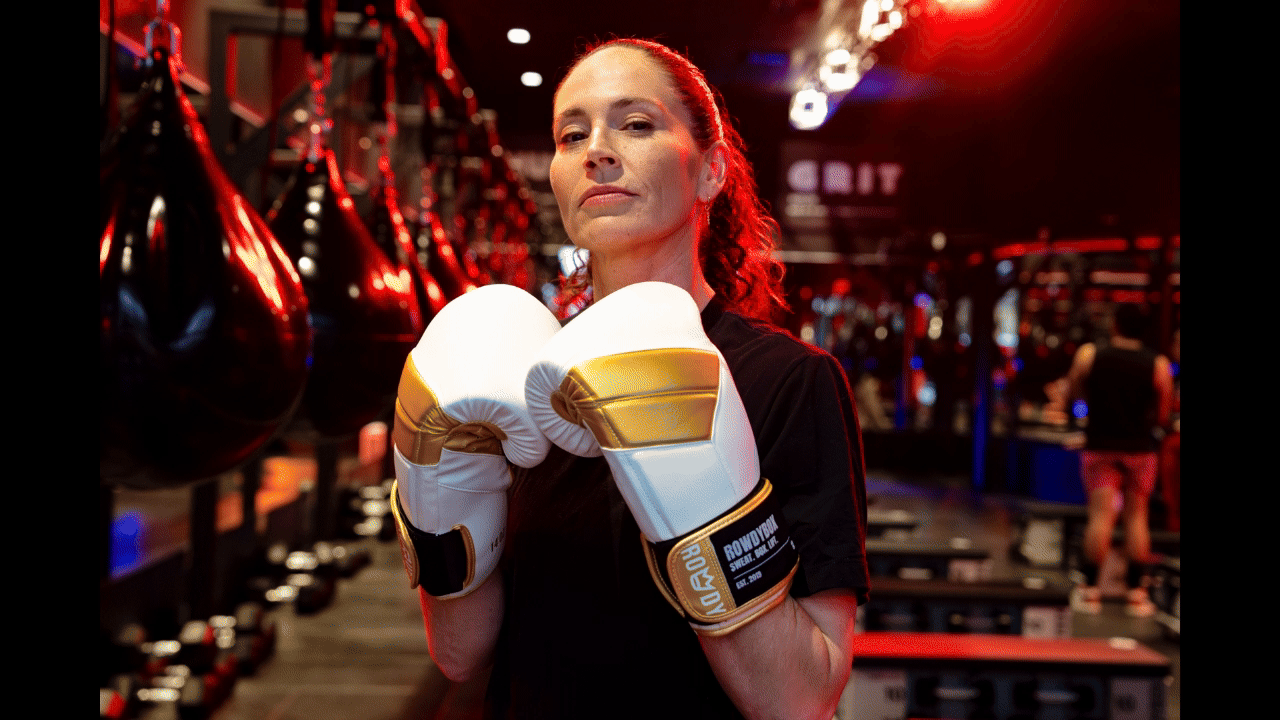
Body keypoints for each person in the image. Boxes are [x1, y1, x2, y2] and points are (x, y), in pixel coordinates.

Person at [389, 38, 871, 719]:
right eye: (571, 133)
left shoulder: (790, 383)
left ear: (710, 172)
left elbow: (802, 700)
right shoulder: (514, 382)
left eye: (636, 124)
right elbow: (461, 654)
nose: (598, 150)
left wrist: (708, 530)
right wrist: (431, 490)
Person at [1062, 303, 1174, 617]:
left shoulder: (1090, 355)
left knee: (1101, 515)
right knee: (1137, 517)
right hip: (1140, 449)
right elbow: (1162, 412)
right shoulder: (1158, 364)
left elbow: (1075, 392)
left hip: (1100, 445)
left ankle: (1090, 590)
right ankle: (1137, 594)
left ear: (1115, 325)